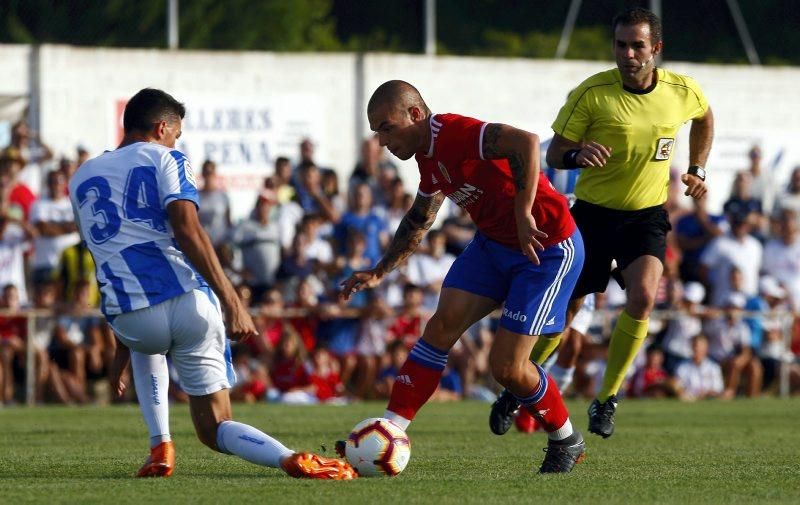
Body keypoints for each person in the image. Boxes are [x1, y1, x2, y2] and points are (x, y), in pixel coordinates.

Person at [69, 88, 355, 480]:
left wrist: (124, 348)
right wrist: (233, 300)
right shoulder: (168, 157)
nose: (176, 141)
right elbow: (188, 230)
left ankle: (161, 446)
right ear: (162, 127)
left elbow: (117, 255)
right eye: (176, 134)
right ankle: (289, 458)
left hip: (132, 319)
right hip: (189, 304)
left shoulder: (82, 176)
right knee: (215, 427)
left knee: (147, 340)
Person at [337, 80, 586, 473]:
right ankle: (389, 432)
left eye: (386, 127)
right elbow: (421, 217)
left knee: (506, 369)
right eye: (376, 132)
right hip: (494, 245)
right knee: (440, 327)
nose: (382, 141)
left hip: (546, 247)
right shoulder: (426, 158)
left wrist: (523, 213)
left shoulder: (454, 131)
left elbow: (526, 142)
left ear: (415, 115)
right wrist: (379, 270)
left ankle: (566, 439)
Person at [491, 7, 713, 439]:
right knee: (563, 316)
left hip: (646, 217)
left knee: (645, 296)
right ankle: (519, 384)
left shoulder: (682, 90)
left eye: (637, 45)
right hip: (591, 216)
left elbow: (705, 117)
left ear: (656, 48)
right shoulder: (592, 93)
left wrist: (698, 168)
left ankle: (606, 399)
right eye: (621, 45)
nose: (628, 54)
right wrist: (576, 155)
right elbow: (555, 153)